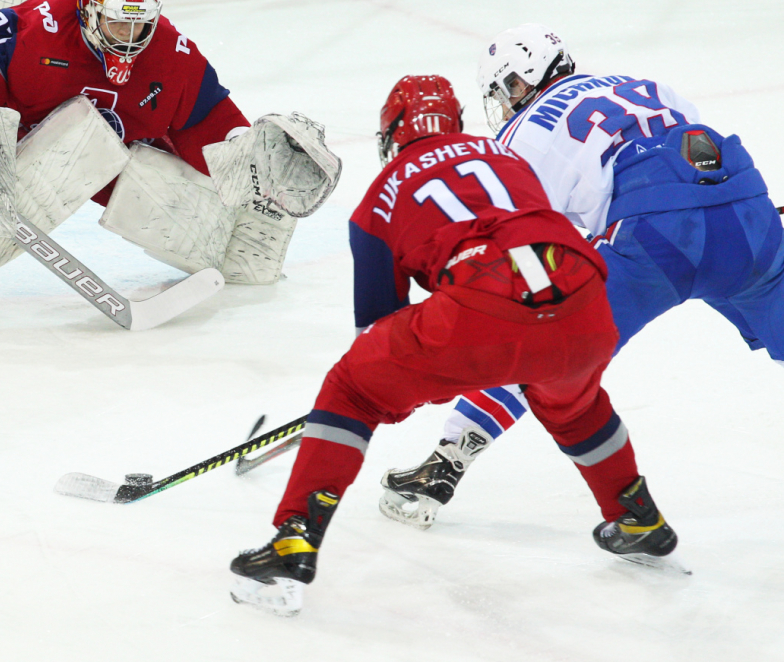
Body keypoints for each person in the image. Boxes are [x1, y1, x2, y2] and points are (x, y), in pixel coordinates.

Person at [228, 75, 677, 618]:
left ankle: (294, 534)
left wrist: (420, 387)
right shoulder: (505, 154)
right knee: (575, 407)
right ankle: (637, 516)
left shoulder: (378, 198)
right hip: (583, 295)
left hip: (482, 301)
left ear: (392, 133)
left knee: (351, 390)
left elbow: (378, 332)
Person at [381, 24, 784, 530]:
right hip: (749, 215)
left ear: (518, 83)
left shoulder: (521, 133)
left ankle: (445, 465)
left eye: (504, 92)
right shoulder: (643, 85)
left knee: (544, 348)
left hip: (657, 240)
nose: (504, 105)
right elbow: (691, 155)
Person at [0, 0, 339, 324]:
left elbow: (205, 123)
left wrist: (254, 169)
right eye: (117, 21)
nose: (129, 36)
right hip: (26, 146)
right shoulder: (44, 26)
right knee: (72, 150)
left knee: (132, 169)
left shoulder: (170, 53)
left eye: (140, 24)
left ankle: (239, 254)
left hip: (110, 157)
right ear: (89, 10)